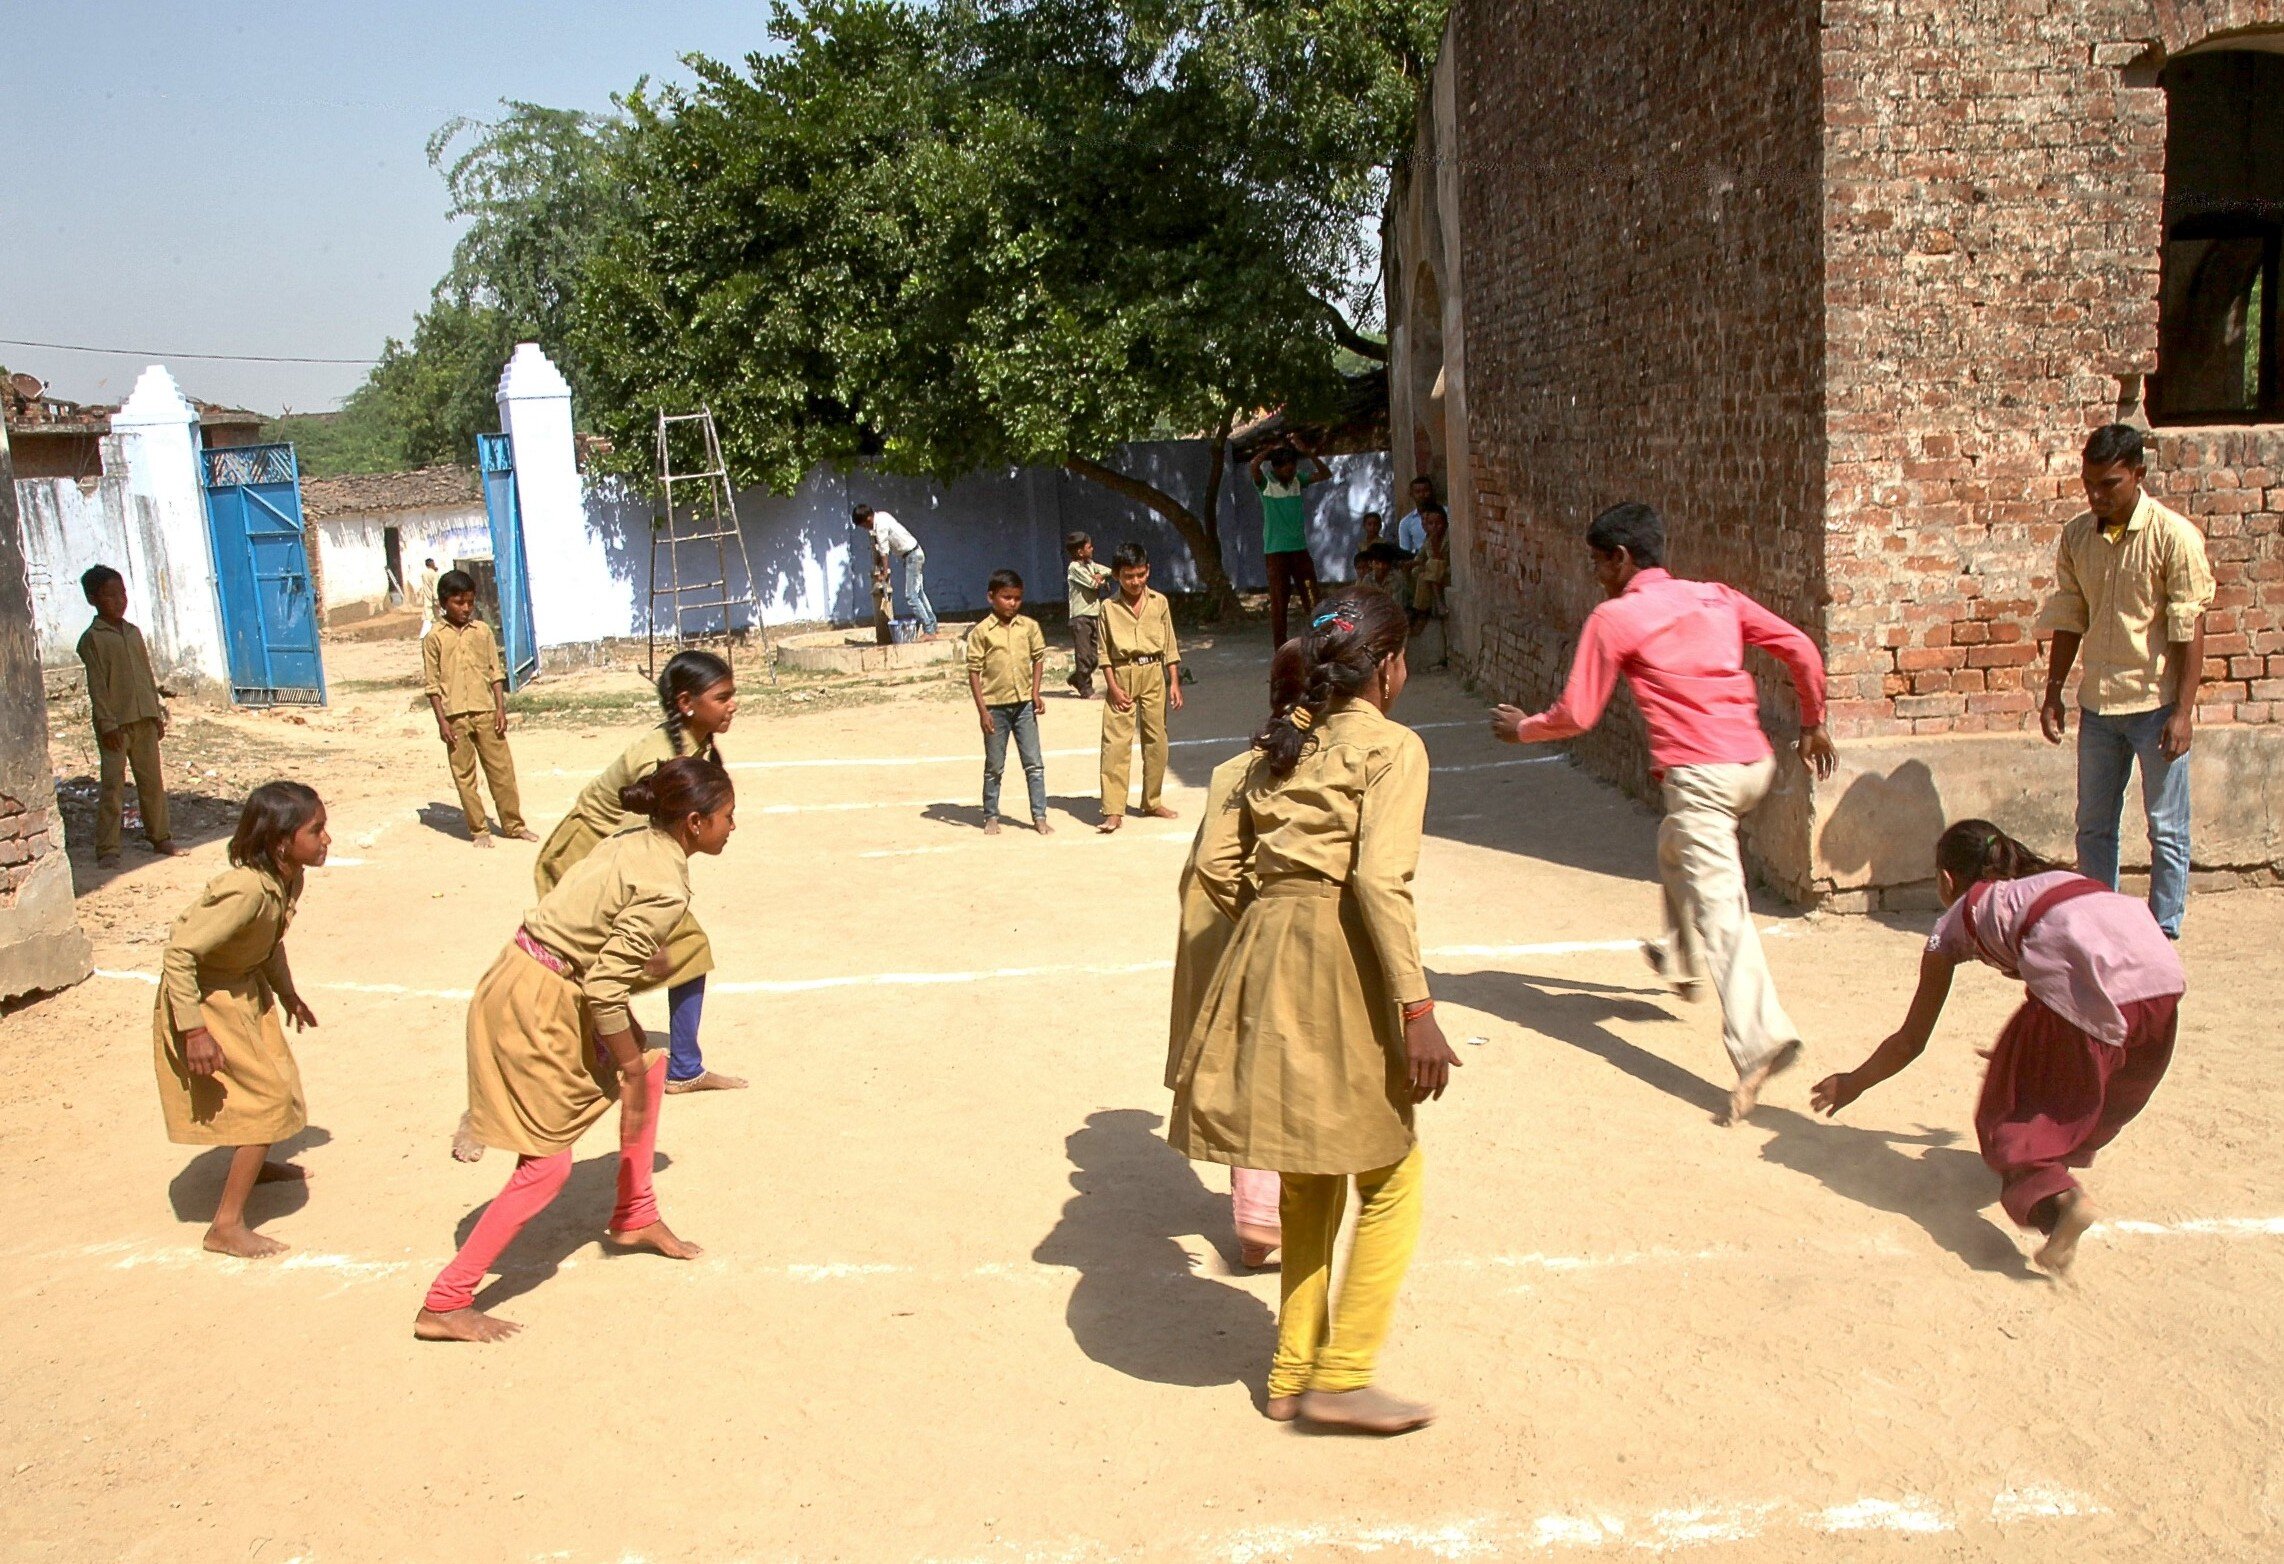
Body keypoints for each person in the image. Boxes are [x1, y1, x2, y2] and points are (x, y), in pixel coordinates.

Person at [1169, 590, 1458, 1434]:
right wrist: (1418, 1007)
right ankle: (1340, 1374)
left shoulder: (1273, 752)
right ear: (1392, 666)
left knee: (1307, 1170)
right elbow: (1378, 881)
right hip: (1339, 954)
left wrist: (1251, 957)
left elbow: (1214, 875)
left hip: (1265, 952)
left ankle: (1291, 1373)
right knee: (1391, 1170)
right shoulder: (1391, 748)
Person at [1491, 501, 1837, 1126]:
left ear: (1622, 558)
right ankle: (1679, 961)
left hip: (1700, 775)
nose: (1597, 575)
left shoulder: (1616, 617)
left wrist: (1523, 731)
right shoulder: (1716, 598)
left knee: (1723, 907)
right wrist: (1811, 723)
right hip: (1752, 765)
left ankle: (1761, 1037)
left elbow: (1578, 714)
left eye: (1599, 562)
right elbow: (1801, 649)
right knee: (1674, 845)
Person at [416, 757, 732, 1342]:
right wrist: (628, 1049)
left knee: (647, 1070)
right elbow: (605, 986)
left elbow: (589, 924)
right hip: (537, 1000)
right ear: (693, 823)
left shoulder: (635, 838)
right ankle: (446, 1300)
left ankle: (635, 1215)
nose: (731, 828)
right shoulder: (665, 886)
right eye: (726, 817)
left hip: (532, 975)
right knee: (548, 1164)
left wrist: (634, 1022)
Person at [1811, 820, 2185, 1280]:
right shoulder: (2058, 880)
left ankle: (2059, 1201)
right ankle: (2054, 1172)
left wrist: (1853, 1082)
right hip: (2164, 988)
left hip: (2090, 999)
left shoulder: (1952, 922)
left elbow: (1912, 1039)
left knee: (2004, 1118)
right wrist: (2037, 1061)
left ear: (1947, 880)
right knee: (2065, 1092)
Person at [524, 650, 743, 1102]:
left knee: (670, 953)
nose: (732, 704)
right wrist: (653, 933)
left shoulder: (693, 742)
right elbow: (634, 845)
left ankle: (679, 1065)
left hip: (617, 861)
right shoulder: (658, 759)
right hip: (584, 861)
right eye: (722, 697)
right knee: (576, 968)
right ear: (687, 702)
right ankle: (529, 1070)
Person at [2036, 423, 2215, 940]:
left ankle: (2163, 930)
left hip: (2155, 704)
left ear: (2138, 475)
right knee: (2093, 826)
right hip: (2099, 707)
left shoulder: (2173, 537)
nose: (2096, 495)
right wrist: (2053, 691)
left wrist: (2182, 711)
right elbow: (2071, 615)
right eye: (2089, 484)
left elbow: (2189, 627)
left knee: (2165, 827)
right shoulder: (2076, 536)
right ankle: (2099, 921)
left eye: (2109, 484)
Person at [1168, 638, 1311, 1271]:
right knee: (1274, 1069)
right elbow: (1221, 867)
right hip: (1254, 930)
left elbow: (1204, 868)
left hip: (1221, 926)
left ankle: (1259, 1218)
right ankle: (1262, 1219)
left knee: (1249, 1066)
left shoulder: (1239, 768)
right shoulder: (1321, 770)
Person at [152, 781, 329, 1258]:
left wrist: (288, 994)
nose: (326, 839)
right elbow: (180, 954)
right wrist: (193, 1030)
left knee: (277, 1081)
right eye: (316, 831)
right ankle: (225, 1226)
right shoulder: (245, 889)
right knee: (264, 1096)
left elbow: (269, 940)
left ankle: (256, 1161)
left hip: (245, 990)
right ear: (280, 842)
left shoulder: (288, 877)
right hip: (208, 997)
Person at [422, 569, 535, 850]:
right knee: (464, 776)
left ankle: (513, 825)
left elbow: (495, 674)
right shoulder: (434, 637)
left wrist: (500, 709)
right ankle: (478, 829)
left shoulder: (482, 631)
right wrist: (442, 722)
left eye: (470, 602)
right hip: (455, 716)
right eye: (459, 603)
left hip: (485, 711)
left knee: (502, 771)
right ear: (444, 603)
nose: (466, 608)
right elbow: (432, 685)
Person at [76, 565, 179, 864]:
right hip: (116, 726)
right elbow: (97, 685)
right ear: (92, 599)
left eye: (122, 593)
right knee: (113, 787)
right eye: (110, 595)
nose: (119, 600)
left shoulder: (133, 633)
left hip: (144, 719)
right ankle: (108, 848)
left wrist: (156, 712)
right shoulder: (92, 639)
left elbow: (146, 676)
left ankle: (161, 837)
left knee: (152, 783)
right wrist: (107, 724)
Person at [1096, 543, 1184, 834]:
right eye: (1129, 576)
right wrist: (1113, 686)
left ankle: (1152, 800)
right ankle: (1113, 809)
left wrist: (1174, 681)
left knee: (1156, 739)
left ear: (1148, 570)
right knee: (1116, 744)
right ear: (1117, 576)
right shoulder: (1108, 608)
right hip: (1122, 675)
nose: (1136, 582)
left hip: (1153, 673)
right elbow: (1104, 653)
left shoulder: (1159, 602)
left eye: (1141, 574)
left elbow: (1169, 643)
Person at [967, 568, 1051, 836]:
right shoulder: (981, 632)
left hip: (1024, 705)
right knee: (994, 765)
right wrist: (982, 710)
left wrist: (1035, 692)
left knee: (1034, 764)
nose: (1012, 603)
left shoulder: (1029, 627)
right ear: (991, 597)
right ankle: (991, 815)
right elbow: (974, 671)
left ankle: (1039, 815)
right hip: (995, 707)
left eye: (1017, 598)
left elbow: (1038, 658)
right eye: (1006, 597)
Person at [1250, 437, 1328, 645]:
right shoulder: (1265, 484)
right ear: (1276, 468)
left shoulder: (1297, 481)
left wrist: (1308, 452)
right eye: (1286, 468)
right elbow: (1254, 465)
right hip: (1276, 552)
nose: (1291, 471)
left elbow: (1325, 474)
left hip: (1299, 551)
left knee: (1312, 598)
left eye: (1293, 467)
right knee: (1279, 603)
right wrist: (1269, 450)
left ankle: (1320, 643)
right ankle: (1280, 650)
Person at [851, 503, 936, 636]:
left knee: (911, 596)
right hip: (915, 553)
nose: (865, 529)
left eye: (863, 526)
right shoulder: (883, 516)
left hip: (912, 557)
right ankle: (933, 625)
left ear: (867, 519)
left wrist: (884, 573)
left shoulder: (880, 527)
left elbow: (884, 552)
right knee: (919, 593)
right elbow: (880, 547)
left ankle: (929, 630)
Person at [1064, 531, 1114, 699]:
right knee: (1084, 654)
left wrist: (1101, 576)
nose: (1092, 549)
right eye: (1089, 547)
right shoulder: (1074, 568)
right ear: (1080, 552)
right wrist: (1099, 580)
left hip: (1094, 614)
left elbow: (1109, 571)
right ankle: (1086, 688)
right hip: (1080, 617)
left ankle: (1077, 678)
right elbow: (1092, 584)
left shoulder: (1090, 565)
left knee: (1094, 656)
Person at [1394, 476, 1436, 557]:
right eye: (1418, 492)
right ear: (1411, 494)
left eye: (1426, 491)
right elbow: (1405, 553)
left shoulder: (1447, 513)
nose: (1422, 495)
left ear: (1431, 492)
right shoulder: (1406, 523)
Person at [417, 558, 441, 627]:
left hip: (427, 599)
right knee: (435, 619)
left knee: (428, 618)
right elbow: (435, 589)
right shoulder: (434, 575)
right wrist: (437, 599)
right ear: (432, 564)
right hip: (433, 600)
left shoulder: (424, 574)